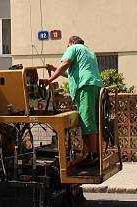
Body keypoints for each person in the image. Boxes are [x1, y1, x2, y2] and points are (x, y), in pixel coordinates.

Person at [43, 35, 104, 165]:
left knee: (87, 120)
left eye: (67, 46)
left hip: (85, 86)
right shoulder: (89, 51)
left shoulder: (73, 48)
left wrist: (49, 80)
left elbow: (65, 64)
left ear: (71, 43)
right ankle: (93, 153)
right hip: (96, 86)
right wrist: (54, 69)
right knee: (94, 120)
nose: (66, 49)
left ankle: (93, 155)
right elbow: (71, 73)